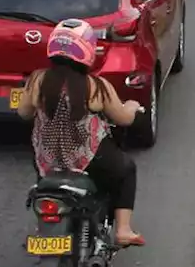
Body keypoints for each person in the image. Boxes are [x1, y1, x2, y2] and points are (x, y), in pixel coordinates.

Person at [16, 20, 147, 248]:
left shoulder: (38, 81)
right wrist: (133, 107)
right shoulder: (96, 86)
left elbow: (23, 112)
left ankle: (45, 227)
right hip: (88, 159)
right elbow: (123, 118)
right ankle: (123, 230)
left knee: (44, 183)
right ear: (87, 50)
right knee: (126, 170)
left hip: (48, 160)